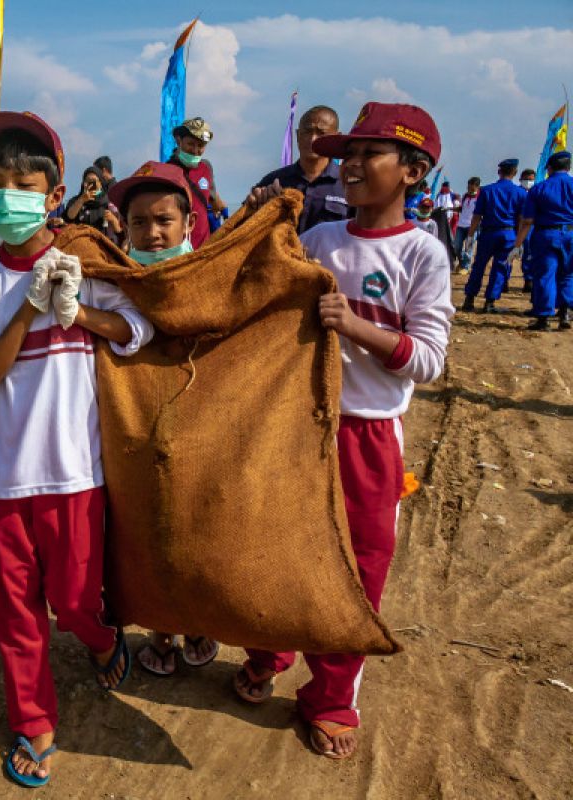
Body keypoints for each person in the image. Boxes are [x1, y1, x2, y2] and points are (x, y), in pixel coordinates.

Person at [239, 102, 453, 759]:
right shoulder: (321, 240)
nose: (351, 165)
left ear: (413, 170)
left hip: (367, 437)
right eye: (347, 153)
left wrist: (354, 325)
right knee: (272, 551)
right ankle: (267, 652)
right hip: (300, 425)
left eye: (369, 155)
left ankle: (330, 699)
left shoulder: (424, 254)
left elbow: (430, 359)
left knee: (355, 576)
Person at [0, 110, 153, 788]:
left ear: (51, 191)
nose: (2, 193)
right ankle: (33, 720)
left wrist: (78, 312)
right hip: (7, 479)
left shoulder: (87, 259)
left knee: (75, 600)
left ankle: (101, 639)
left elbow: (136, 331)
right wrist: (31, 308)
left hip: (76, 473)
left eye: (19, 181)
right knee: (16, 616)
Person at [104, 160, 221, 675]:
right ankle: (161, 632)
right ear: (123, 228)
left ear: (188, 224)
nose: (151, 233)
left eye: (163, 221)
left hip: (200, 423)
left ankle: (199, 623)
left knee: (198, 526)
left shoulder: (209, 273)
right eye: (138, 224)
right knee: (147, 529)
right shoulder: (118, 279)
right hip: (138, 424)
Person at [252, 105, 350, 233]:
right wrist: (258, 206)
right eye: (307, 132)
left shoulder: (347, 184)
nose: (312, 139)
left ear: (336, 138)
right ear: (298, 135)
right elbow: (245, 227)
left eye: (321, 133)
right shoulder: (274, 181)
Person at [511, 151, 573, 330]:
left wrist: (517, 245)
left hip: (547, 236)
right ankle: (565, 314)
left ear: (550, 169)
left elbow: (528, 221)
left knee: (545, 276)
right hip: (570, 235)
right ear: (568, 168)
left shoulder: (539, 189)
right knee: (568, 275)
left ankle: (544, 318)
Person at [463, 159, 527, 312]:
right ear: (515, 173)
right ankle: (489, 302)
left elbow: (477, 216)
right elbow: (521, 219)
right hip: (508, 233)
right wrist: (519, 242)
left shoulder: (486, 190)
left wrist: (470, 236)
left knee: (478, 266)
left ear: (499, 172)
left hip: (488, 233)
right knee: (500, 268)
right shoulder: (521, 193)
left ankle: (469, 299)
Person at [165, 116, 226, 247]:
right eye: (191, 144)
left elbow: (212, 198)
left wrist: (225, 213)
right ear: (178, 141)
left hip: (204, 246)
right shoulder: (167, 170)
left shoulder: (206, 168)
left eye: (200, 146)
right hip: (177, 247)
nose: (195, 150)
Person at [62, 166, 124, 244]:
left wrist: (112, 219)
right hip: (78, 243)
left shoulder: (109, 202)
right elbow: (68, 217)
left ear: (100, 183)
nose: (91, 184)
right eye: (88, 181)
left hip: (101, 246)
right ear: (83, 183)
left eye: (94, 181)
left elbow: (120, 232)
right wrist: (81, 200)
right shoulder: (76, 200)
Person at [453, 177, 481, 271]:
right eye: (468, 187)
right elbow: (463, 208)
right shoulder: (465, 196)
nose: (469, 190)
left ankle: (465, 266)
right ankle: (461, 262)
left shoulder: (480, 198)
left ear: (477, 187)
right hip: (461, 225)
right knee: (456, 246)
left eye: (472, 188)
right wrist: (452, 209)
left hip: (472, 226)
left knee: (468, 248)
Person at [518, 169, 538, 293]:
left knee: (530, 254)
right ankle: (503, 282)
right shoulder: (517, 192)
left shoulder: (536, 192)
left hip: (532, 228)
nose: (529, 182)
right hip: (516, 227)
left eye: (531, 180)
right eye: (527, 179)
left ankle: (529, 280)